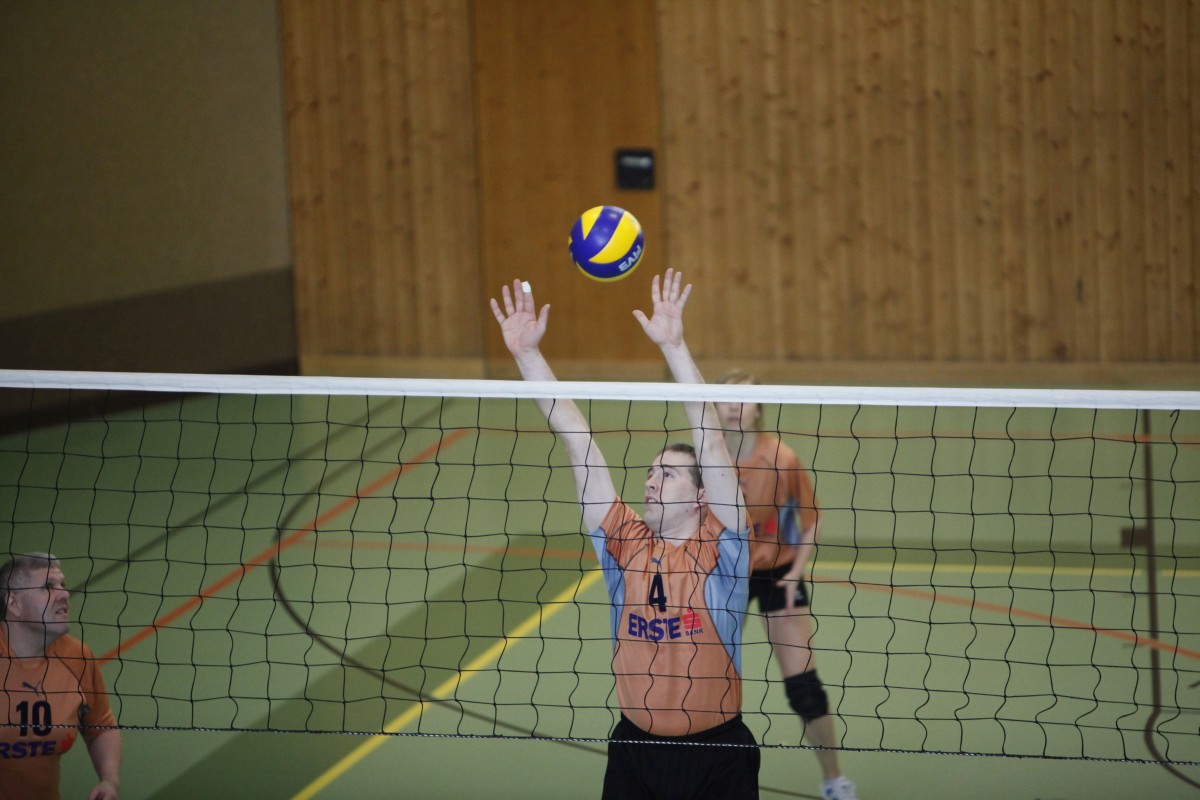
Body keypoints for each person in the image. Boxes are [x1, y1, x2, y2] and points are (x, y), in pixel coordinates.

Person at [490, 270, 758, 799]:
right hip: (635, 754)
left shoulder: (723, 544)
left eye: (669, 474)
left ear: (701, 496)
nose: (651, 481)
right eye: (651, 472)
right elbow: (577, 440)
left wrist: (675, 347)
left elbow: (710, 443)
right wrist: (527, 355)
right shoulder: (623, 540)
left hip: (719, 757)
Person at [715, 370, 858, 800]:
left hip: (776, 573)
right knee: (705, 680)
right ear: (713, 405)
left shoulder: (781, 459)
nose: (735, 407)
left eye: (744, 400)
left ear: (759, 408)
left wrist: (795, 573)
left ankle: (834, 780)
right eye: (726, 399)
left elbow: (810, 521)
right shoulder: (707, 457)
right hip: (723, 573)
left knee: (804, 688)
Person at [0, 552, 121, 800]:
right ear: (14, 604)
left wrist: (109, 780)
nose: (64, 594)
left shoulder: (76, 656)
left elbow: (101, 727)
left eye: (62, 584)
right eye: (48, 587)